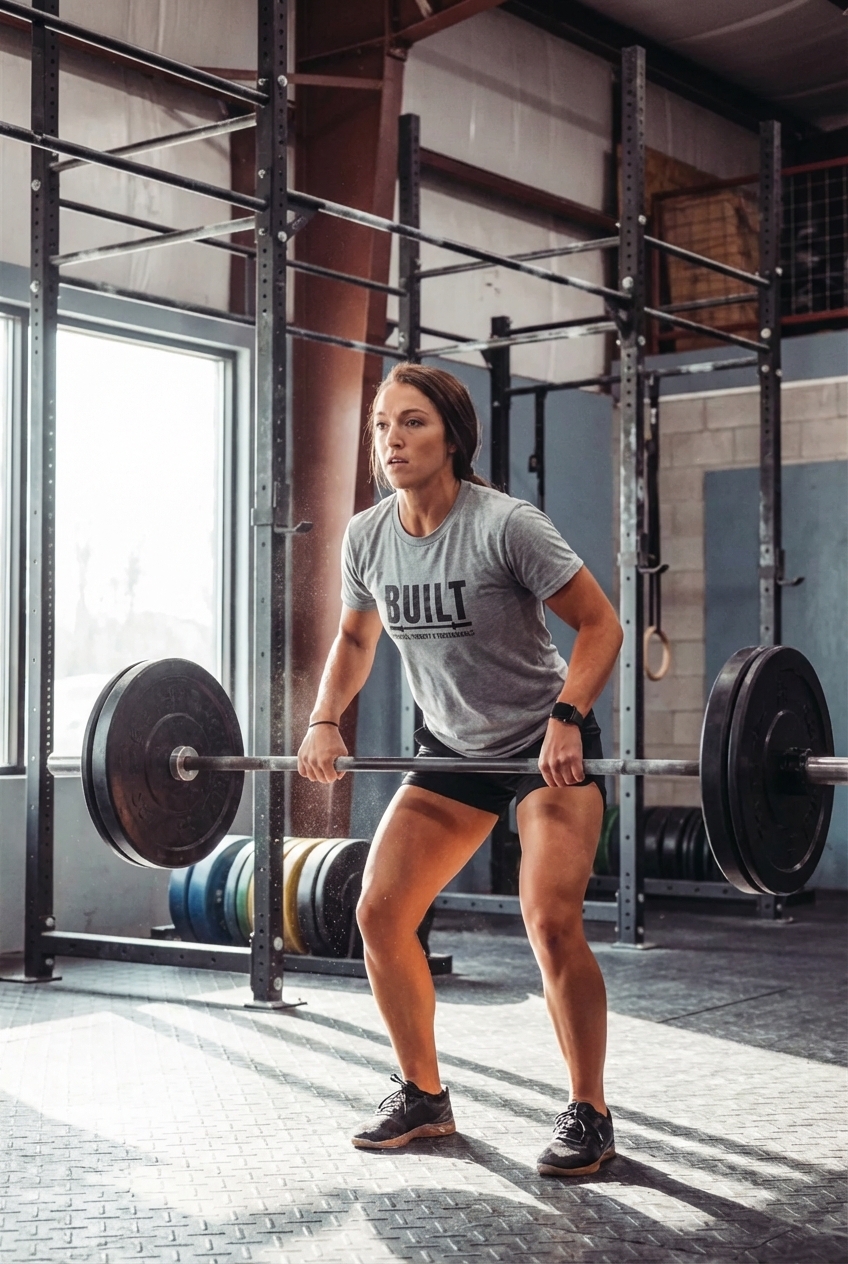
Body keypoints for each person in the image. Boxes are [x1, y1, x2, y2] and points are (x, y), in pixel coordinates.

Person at [297, 363, 623, 1177]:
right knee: (379, 914)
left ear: (452, 436)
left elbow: (601, 626)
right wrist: (324, 718)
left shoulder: (507, 525)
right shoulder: (368, 535)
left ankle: (590, 1110)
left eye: (411, 423)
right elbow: (357, 640)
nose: (391, 441)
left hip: (543, 746)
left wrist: (568, 718)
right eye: (381, 426)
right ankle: (424, 1095)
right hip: (452, 749)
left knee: (549, 920)